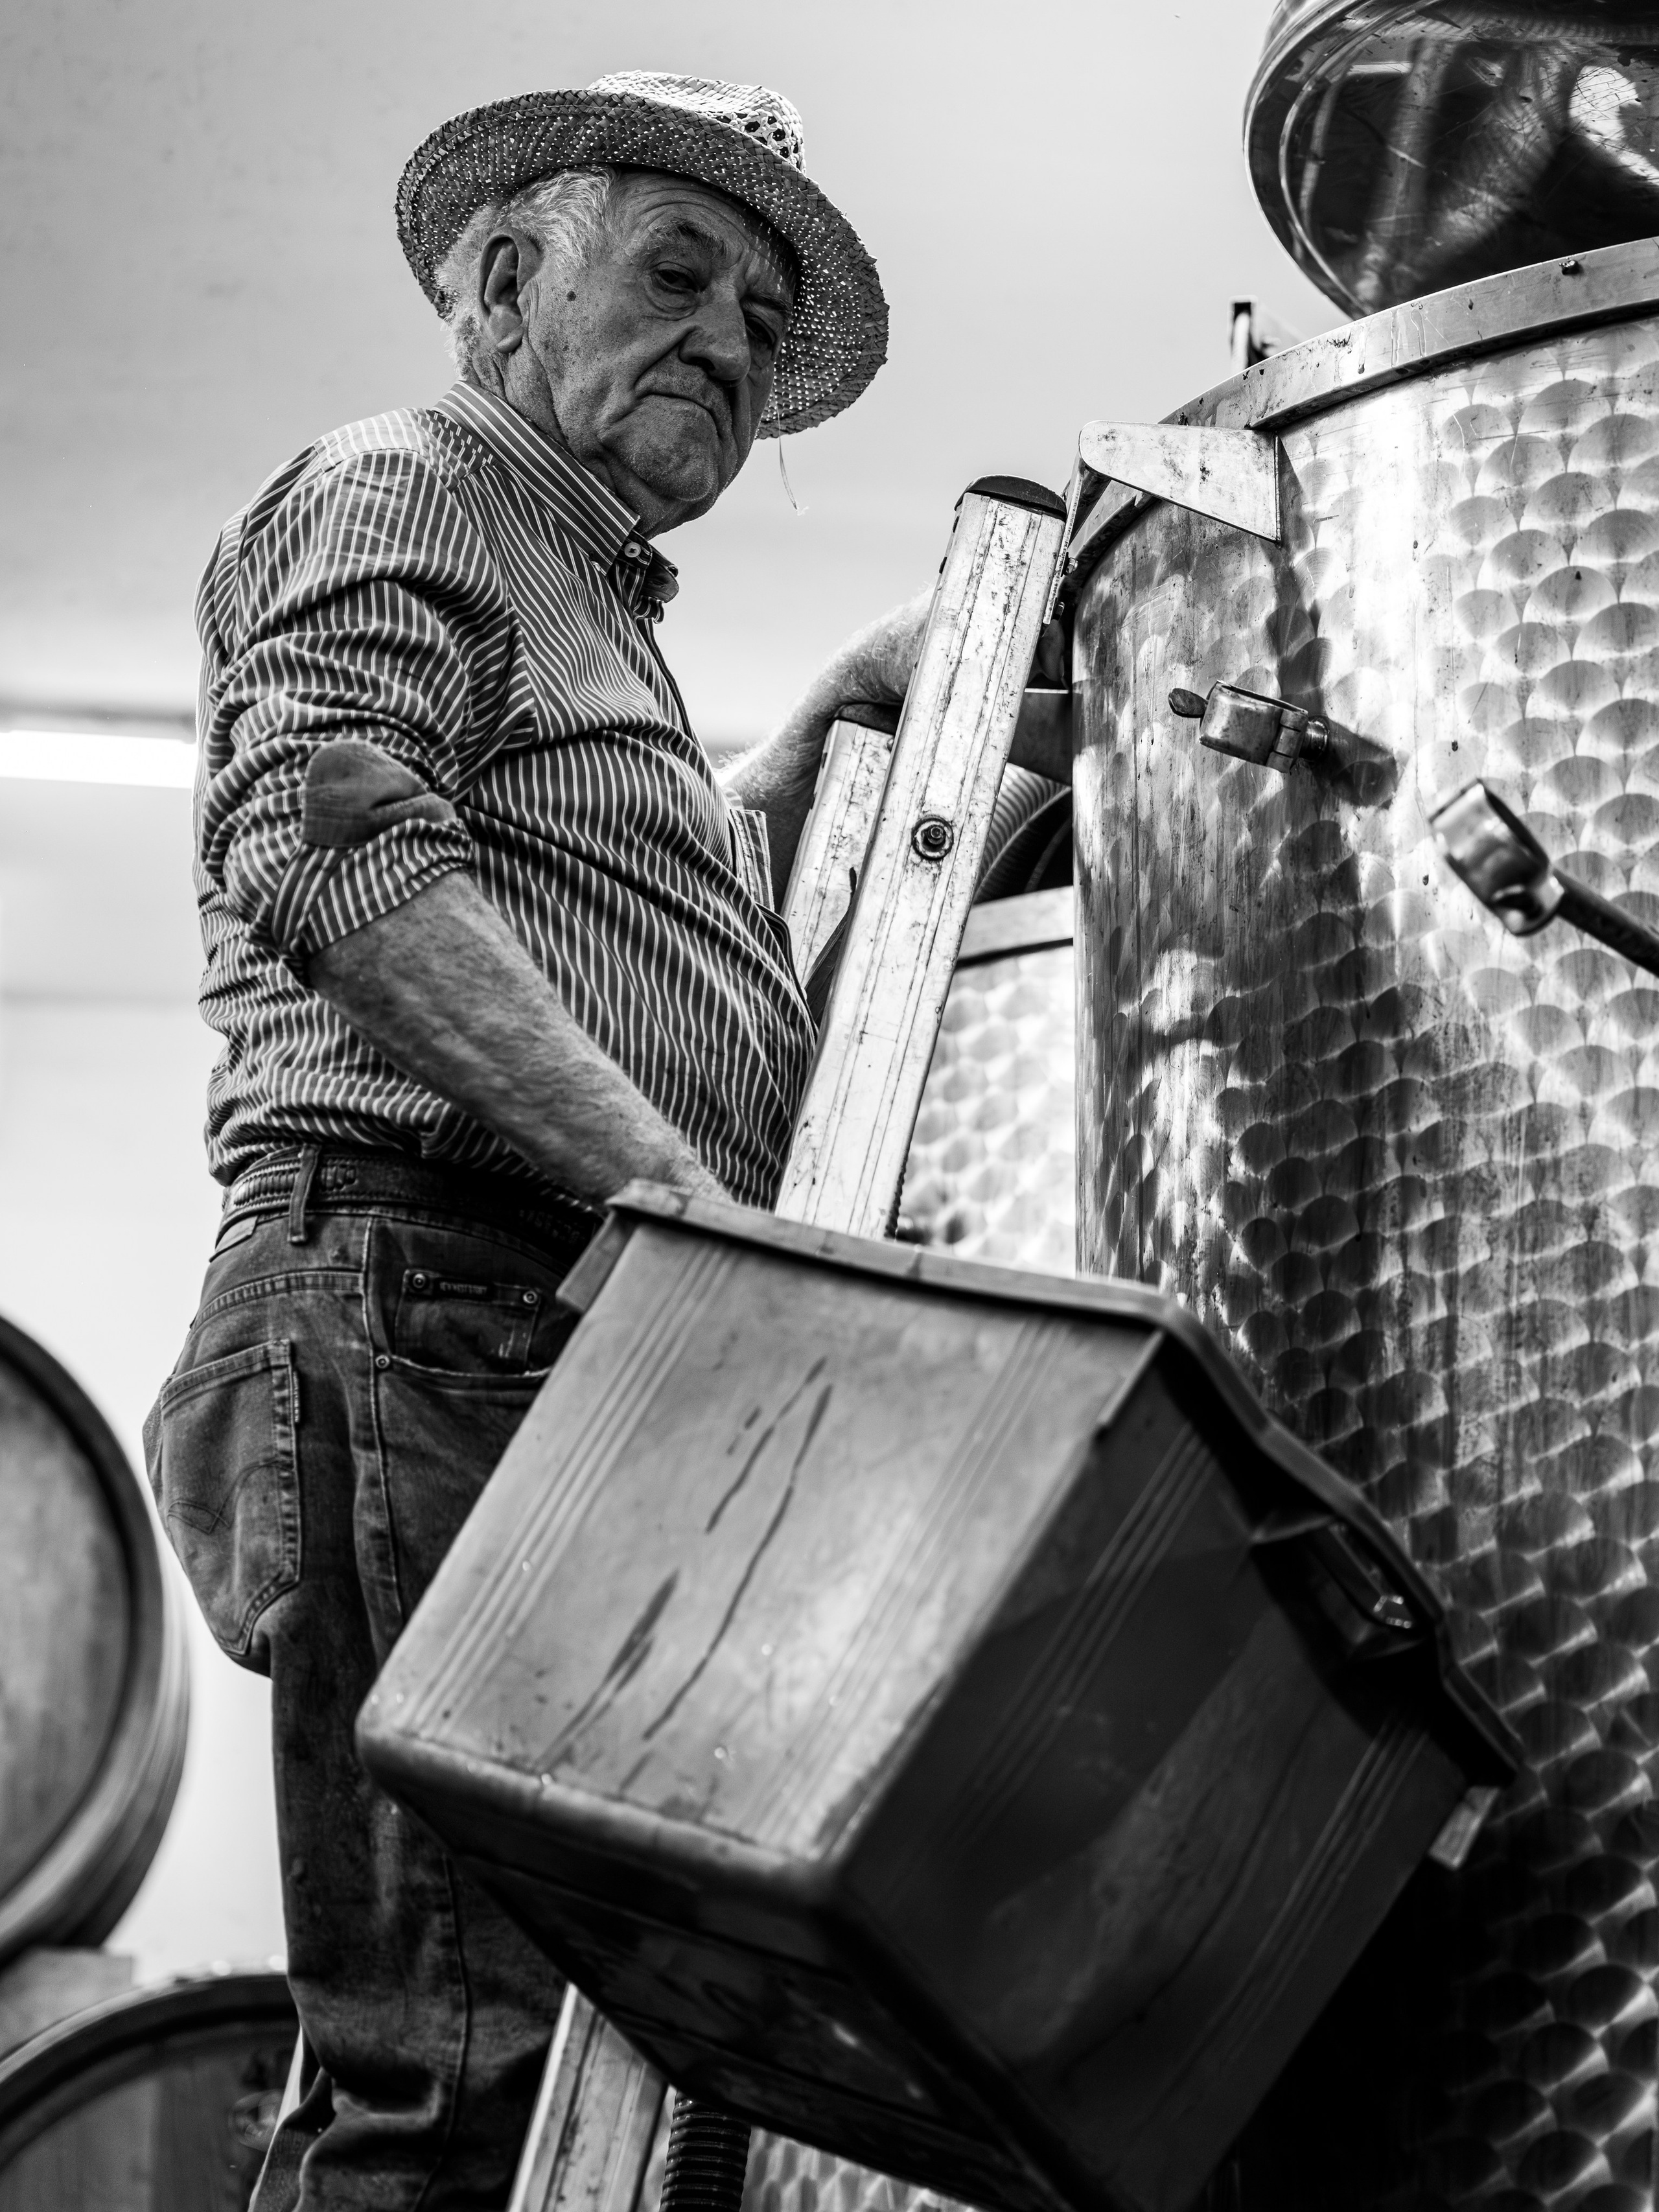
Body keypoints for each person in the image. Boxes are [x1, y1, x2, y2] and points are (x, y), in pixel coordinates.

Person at [144, 71, 925, 2210]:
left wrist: (814, 727)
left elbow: (581, 907)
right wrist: (682, 1207)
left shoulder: (584, 599)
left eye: (763, 331)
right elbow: (332, 844)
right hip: (432, 1288)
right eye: (680, 276)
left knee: (569, 2063)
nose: (731, 352)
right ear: (500, 283)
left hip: (510, 1315)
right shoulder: (408, 483)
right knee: (465, 2067)